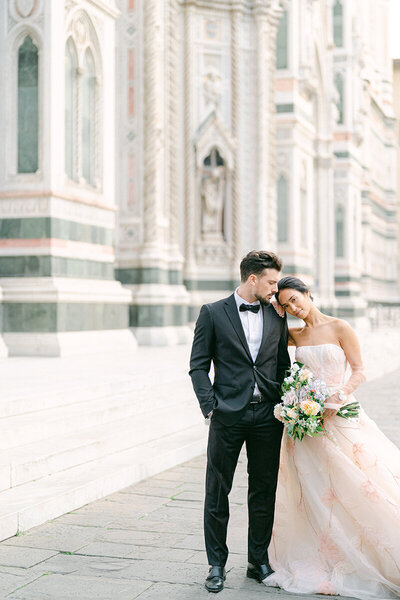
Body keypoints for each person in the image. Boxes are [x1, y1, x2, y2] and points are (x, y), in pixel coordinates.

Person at [264, 276, 400, 599]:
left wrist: (338, 395)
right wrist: (275, 311)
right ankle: (326, 550)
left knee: (360, 482)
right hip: (307, 426)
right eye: (286, 305)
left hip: (340, 415)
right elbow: (275, 342)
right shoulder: (294, 334)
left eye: (295, 299)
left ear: (308, 293)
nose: (294, 308)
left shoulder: (340, 327)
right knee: (316, 491)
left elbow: (360, 370)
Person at [189, 251, 291, 593]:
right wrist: (210, 407)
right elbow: (198, 365)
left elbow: (281, 365)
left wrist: (287, 402)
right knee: (217, 490)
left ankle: (257, 561)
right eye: (272, 282)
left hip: (267, 417)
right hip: (227, 416)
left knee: (264, 490)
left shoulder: (276, 315)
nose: (275, 289)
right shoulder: (213, 313)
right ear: (252, 279)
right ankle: (216, 564)